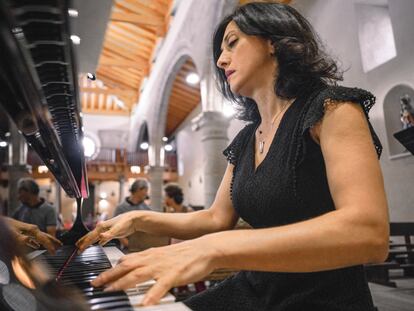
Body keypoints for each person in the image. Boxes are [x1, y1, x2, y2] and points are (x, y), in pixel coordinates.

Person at [76, 3, 389, 310]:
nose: (222, 60)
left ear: (272, 41)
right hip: (255, 290)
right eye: (220, 53)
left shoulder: (333, 109)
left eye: (232, 43)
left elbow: (369, 233)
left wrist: (215, 249)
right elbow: (216, 218)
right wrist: (138, 219)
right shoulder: (245, 139)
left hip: (324, 299)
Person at [113, 178, 152, 248]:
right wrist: (128, 244)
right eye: (145, 190)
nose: (147, 193)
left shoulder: (147, 209)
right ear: (139, 189)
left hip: (144, 247)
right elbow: (115, 228)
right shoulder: (121, 208)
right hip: (126, 248)